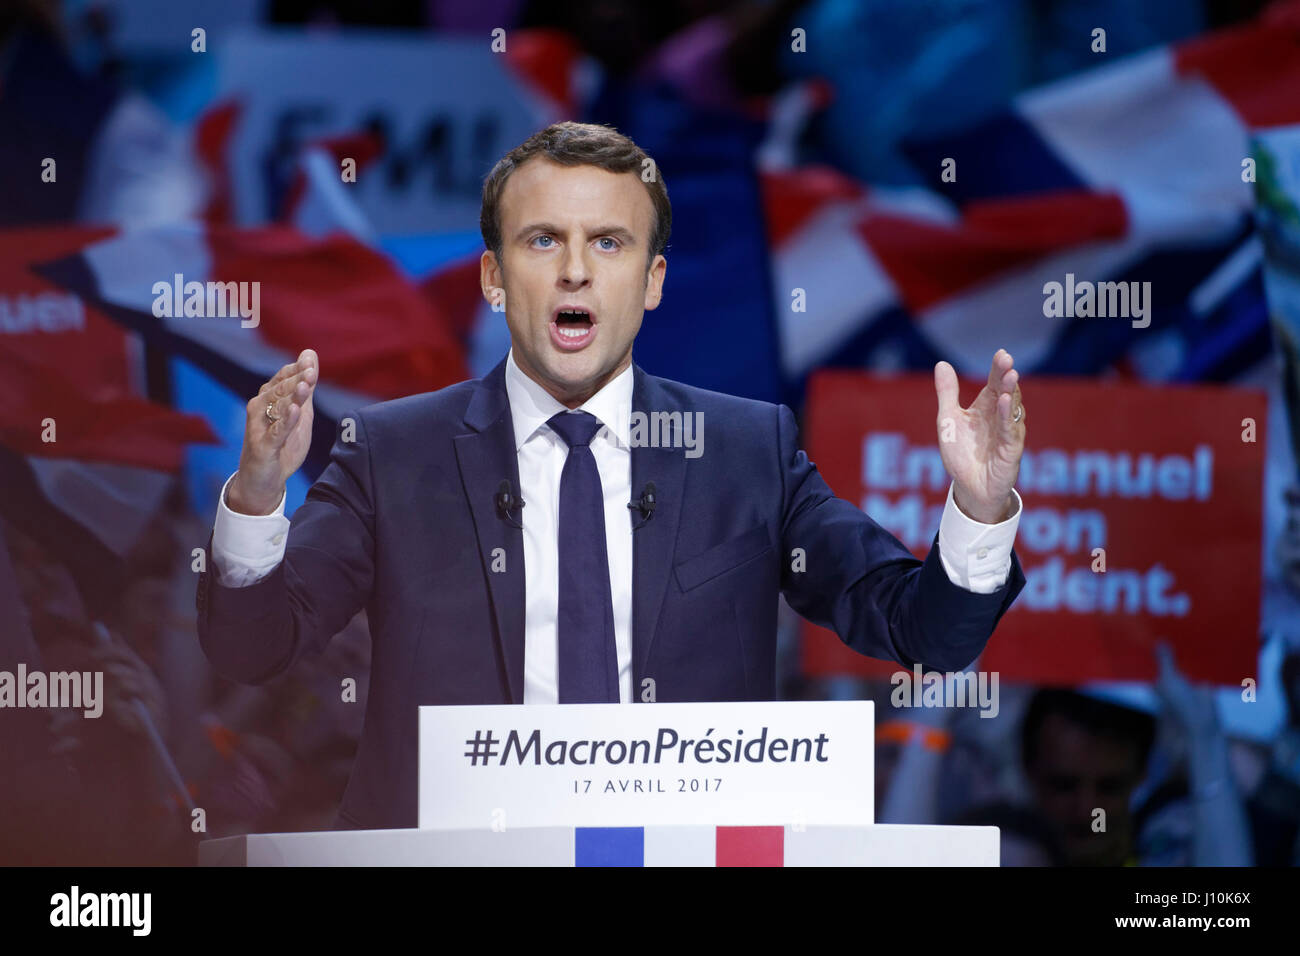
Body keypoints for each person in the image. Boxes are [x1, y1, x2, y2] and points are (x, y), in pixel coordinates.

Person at [196, 121, 1028, 830]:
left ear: (652, 280)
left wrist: (980, 511)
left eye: (609, 242)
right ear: (494, 277)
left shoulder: (745, 451)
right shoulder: (395, 453)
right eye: (542, 240)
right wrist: (258, 499)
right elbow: (252, 649)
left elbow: (924, 634)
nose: (575, 271)